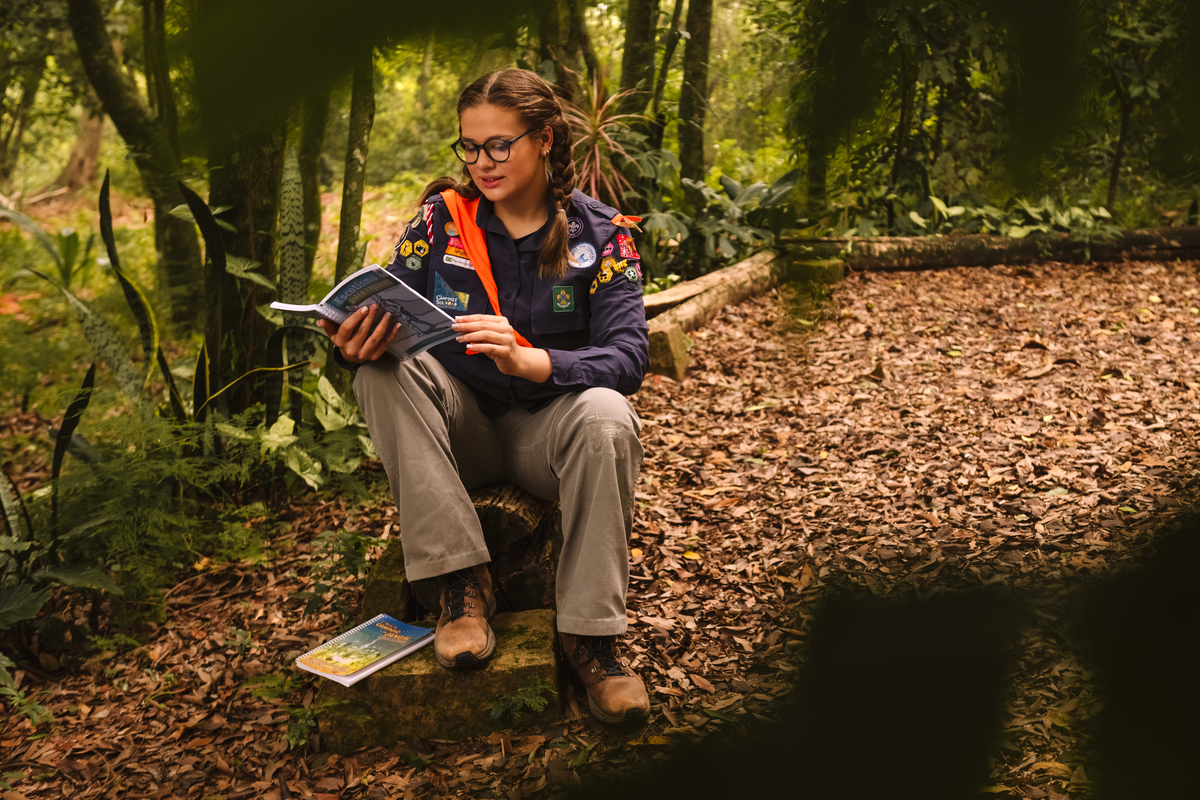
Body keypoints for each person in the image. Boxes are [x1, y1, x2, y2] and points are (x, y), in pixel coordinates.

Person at [318, 69, 651, 727]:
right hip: (459, 429)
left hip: (547, 436)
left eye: (499, 144)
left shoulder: (602, 234)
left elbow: (628, 356)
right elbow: (388, 311)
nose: (482, 162)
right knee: (379, 372)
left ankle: (590, 640)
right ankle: (460, 587)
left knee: (610, 415)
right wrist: (354, 342)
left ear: (544, 139)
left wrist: (534, 360)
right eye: (470, 146)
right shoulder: (440, 223)